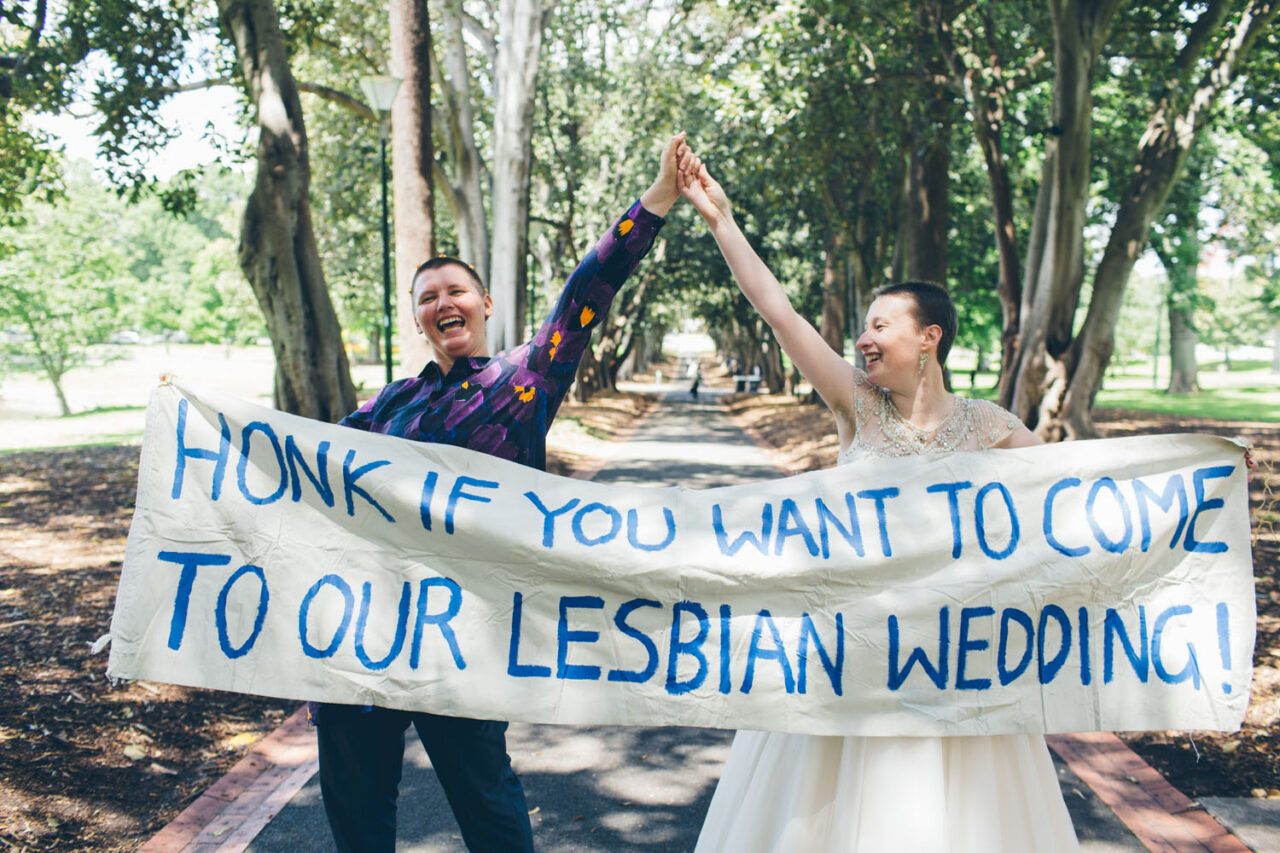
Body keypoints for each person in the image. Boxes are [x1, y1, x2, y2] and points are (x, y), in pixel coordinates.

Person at [678, 156, 1081, 851]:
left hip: (954, 661)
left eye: (880, 324)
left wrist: (1201, 467)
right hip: (848, 652)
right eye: (863, 325)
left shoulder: (989, 424)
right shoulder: (855, 405)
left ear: (931, 337)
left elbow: (1082, 484)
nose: (863, 337)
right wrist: (721, 218)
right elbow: (778, 311)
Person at [314, 132, 692, 853]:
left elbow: (590, 288)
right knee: (356, 812)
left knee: (486, 800)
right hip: (365, 629)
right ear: (418, 318)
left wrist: (658, 199)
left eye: (454, 290)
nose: (442, 302)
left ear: (483, 303)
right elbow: (309, 468)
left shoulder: (525, 381)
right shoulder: (385, 406)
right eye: (428, 298)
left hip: (464, 630)